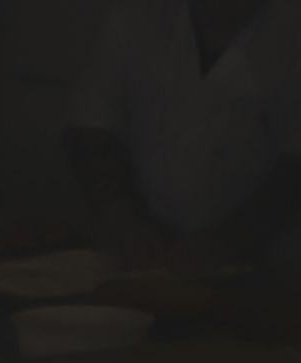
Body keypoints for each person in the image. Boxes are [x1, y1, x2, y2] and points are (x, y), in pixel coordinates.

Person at [65, 0, 301, 280]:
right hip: (142, 262)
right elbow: (91, 127)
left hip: (271, 272)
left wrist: (231, 239)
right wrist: (120, 215)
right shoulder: (136, 17)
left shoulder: (289, 30)